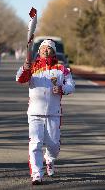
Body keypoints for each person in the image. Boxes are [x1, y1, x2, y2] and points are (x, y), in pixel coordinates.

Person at [16, 39, 75, 185]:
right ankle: (37, 174)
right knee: (35, 144)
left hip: (54, 113)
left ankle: (50, 159)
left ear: (53, 51)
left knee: (54, 145)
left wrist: (62, 89)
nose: (45, 50)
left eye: (49, 48)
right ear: (39, 51)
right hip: (35, 112)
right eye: (43, 48)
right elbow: (19, 79)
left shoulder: (61, 69)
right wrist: (24, 68)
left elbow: (71, 86)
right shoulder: (32, 67)